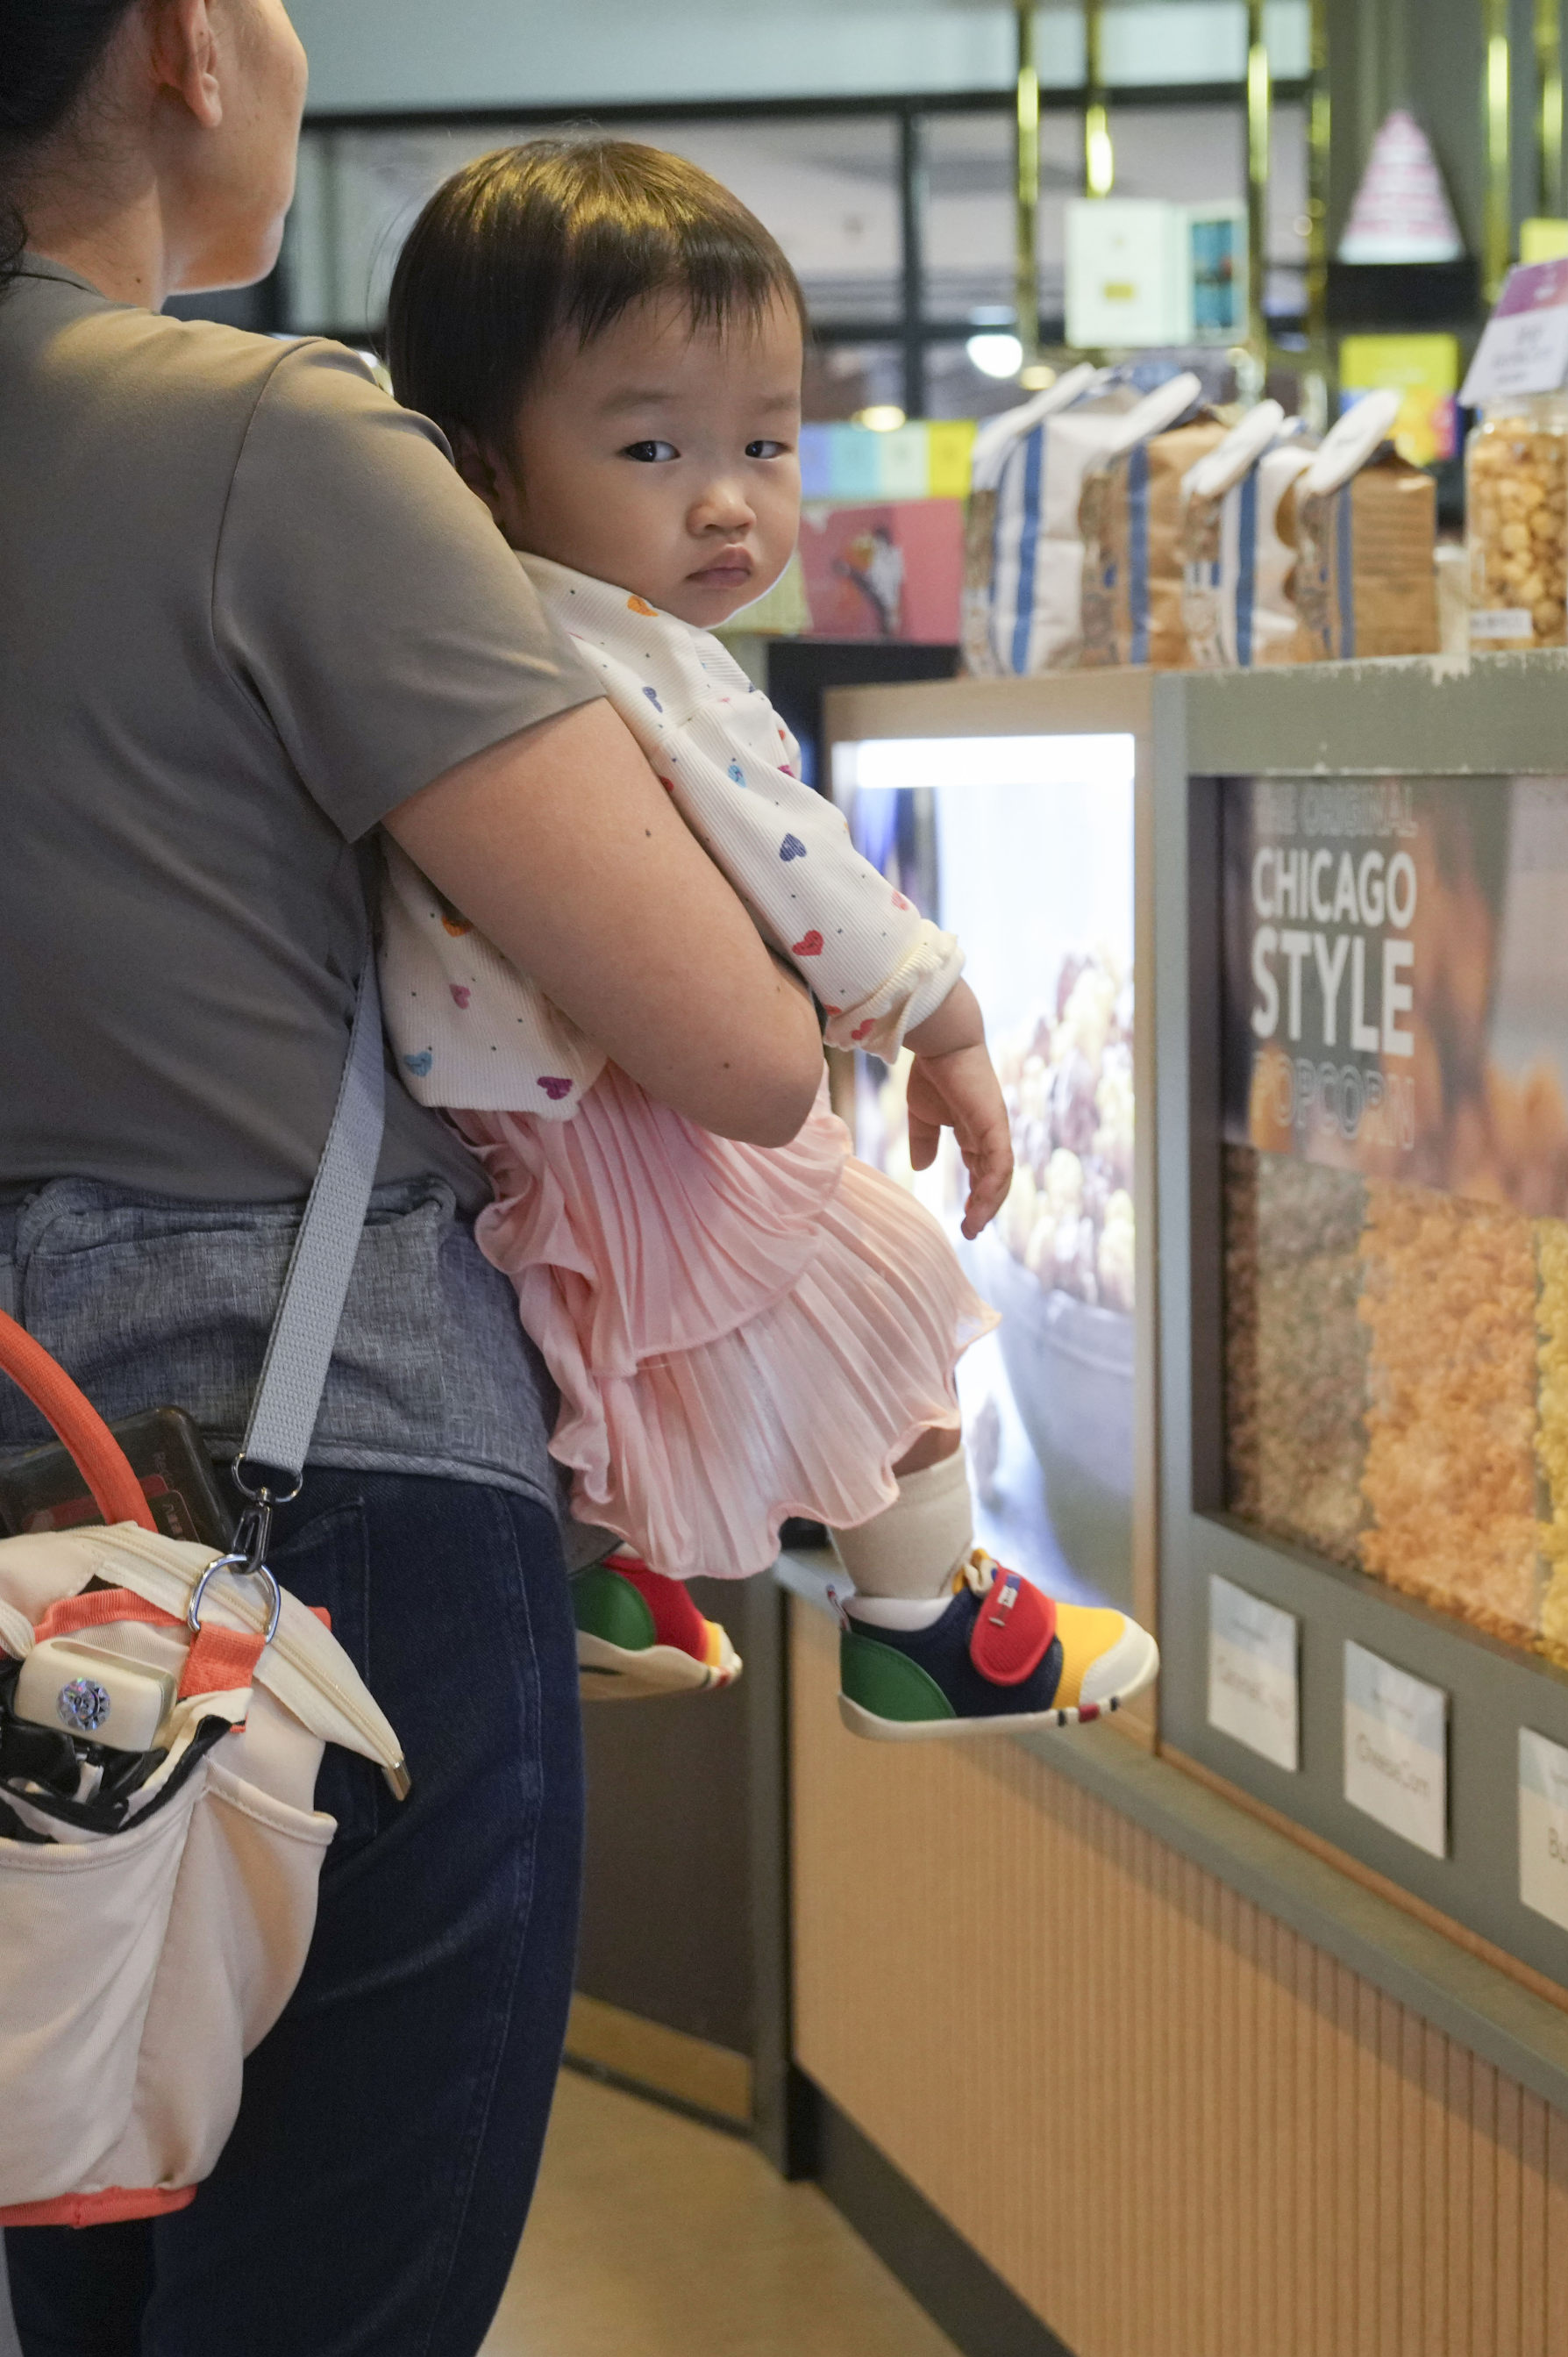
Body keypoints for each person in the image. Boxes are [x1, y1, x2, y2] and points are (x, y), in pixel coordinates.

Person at [0, 4, 828, 2357]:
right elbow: (740, 1043)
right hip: (311, 1494)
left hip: (24, 1490)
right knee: (321, 2354)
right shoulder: (261, 436)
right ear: (172, 45)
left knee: (95, 2283)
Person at [374, 136, 1158, 1739]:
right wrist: (939, 1015)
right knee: (885, 1282)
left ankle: (603, 1575)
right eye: (654, 446)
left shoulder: (454, 631)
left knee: (613, 1347)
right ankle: (927, 1625)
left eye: (770, 443)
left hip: (515, 1106)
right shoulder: (628, 655)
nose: (730, 501)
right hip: (623, 1102)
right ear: (482, 468)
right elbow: (795, 864)